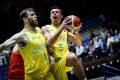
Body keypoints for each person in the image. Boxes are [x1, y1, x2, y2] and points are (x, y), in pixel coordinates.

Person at [0, 7, 55, 80]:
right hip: (33, 77)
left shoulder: (38, 30)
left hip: (48, 74)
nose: (36, 16)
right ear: (25, 19)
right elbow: (3, 45)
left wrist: (50, 56)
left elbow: (44, 47)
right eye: (32, 15)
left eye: (35, 14)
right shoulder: (22, 36)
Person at [41, 6, 87, 80]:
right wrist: (61, 28)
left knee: (73, 57)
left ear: (61, 16)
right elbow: (48, 43)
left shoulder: (65, 30)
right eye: (52, 13)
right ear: (50, 16)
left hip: (66, 57)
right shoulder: (45, 28)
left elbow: (79, 44)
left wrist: (76, 32)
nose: (54, 13)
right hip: (54, 61)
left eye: (57, 12)